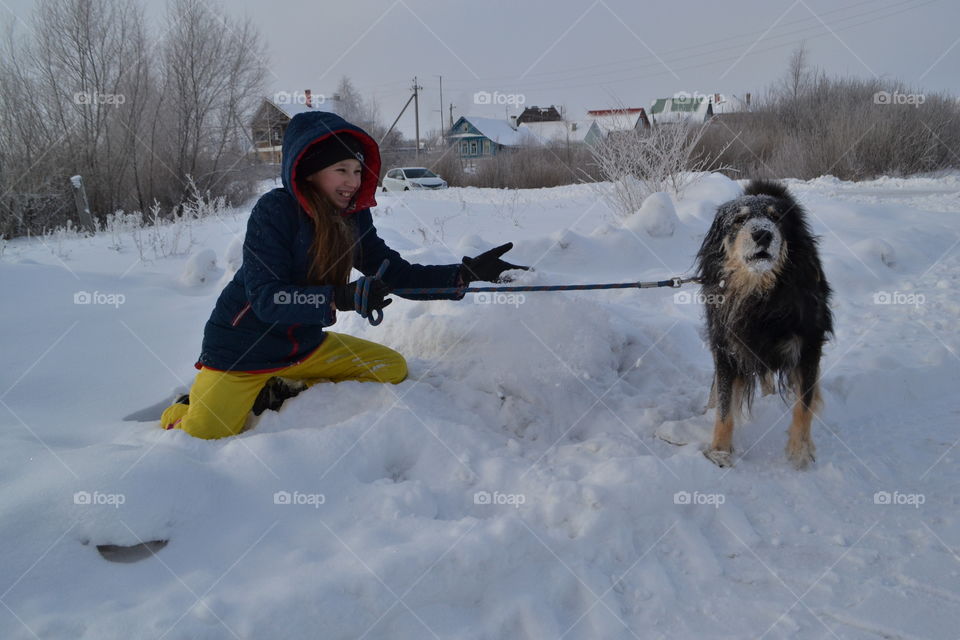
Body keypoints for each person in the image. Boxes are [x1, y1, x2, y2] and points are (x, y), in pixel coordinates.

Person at [160, 111, 526, 439]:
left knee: (391, 367)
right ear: (309, 170)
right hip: (241, 350)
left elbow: (394, 272)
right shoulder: (274, 211)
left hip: (302, 346)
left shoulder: (351, 217)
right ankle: (190, 400)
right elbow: (267, 298)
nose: (352, 181)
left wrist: (462, 275)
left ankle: (281, 382)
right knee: (205, 433)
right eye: (341, 170)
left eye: (356, 171)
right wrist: (340, 298)